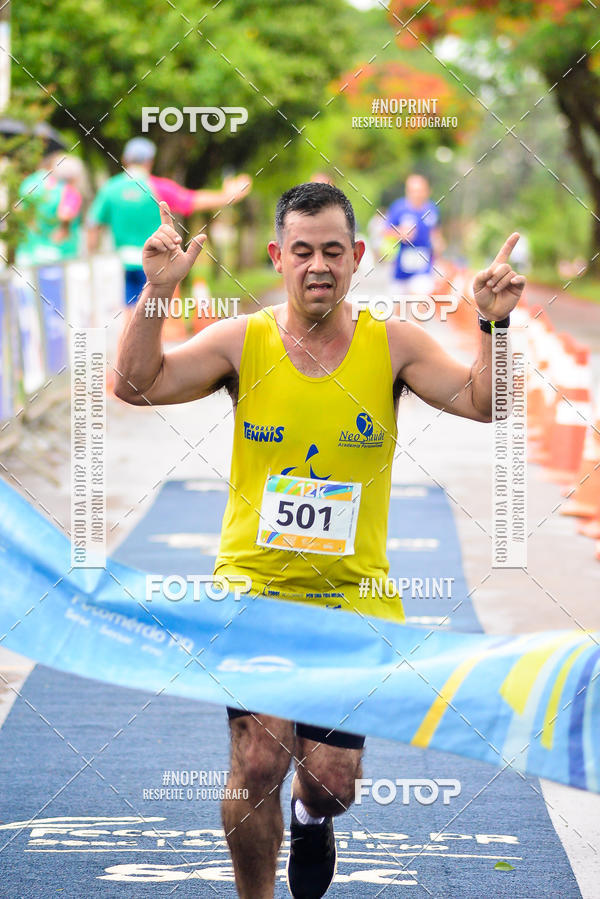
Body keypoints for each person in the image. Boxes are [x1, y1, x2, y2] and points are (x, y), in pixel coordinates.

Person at [114, 182, 526, 898]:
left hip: (353, 597)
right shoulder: (243, 340)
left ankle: (311, 818)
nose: (318, 266)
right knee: (259, 761)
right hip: (253, 590)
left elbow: (486, 403)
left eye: (333, 251)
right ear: (278, 257)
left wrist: (494, 324)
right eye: (302, 251)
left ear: (357, 256)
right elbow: (134, 382)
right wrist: (157, 293)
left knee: (332, 783)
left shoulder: (391, 344)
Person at [86, 137, 251, 312]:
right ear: (150, 161)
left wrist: (92, 260)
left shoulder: (109, 189)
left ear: (125, 159)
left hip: (121, 264)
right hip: (154, 265)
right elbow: (193, 201)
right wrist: (229, 196)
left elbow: (93, 225)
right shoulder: (158, 187)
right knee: (153, 315)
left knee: (126, 314)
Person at [16, 152, 84, 267]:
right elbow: (65, 215)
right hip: (59, 255)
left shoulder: (29, 183)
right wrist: (64, 228)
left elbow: (18, 210)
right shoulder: (68, 191)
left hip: (27, 254)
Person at [385, 173, 444, 294]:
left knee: (420, 299)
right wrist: (400, 233)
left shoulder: (432, 209)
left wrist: (438, 245)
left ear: (427, 191)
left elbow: (436, 233)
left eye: (419, 190)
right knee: (398, 302)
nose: (416, 194)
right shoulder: (398, 208)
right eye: (412, 190)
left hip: (423, 268)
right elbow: (385, 231)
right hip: (401, 268)